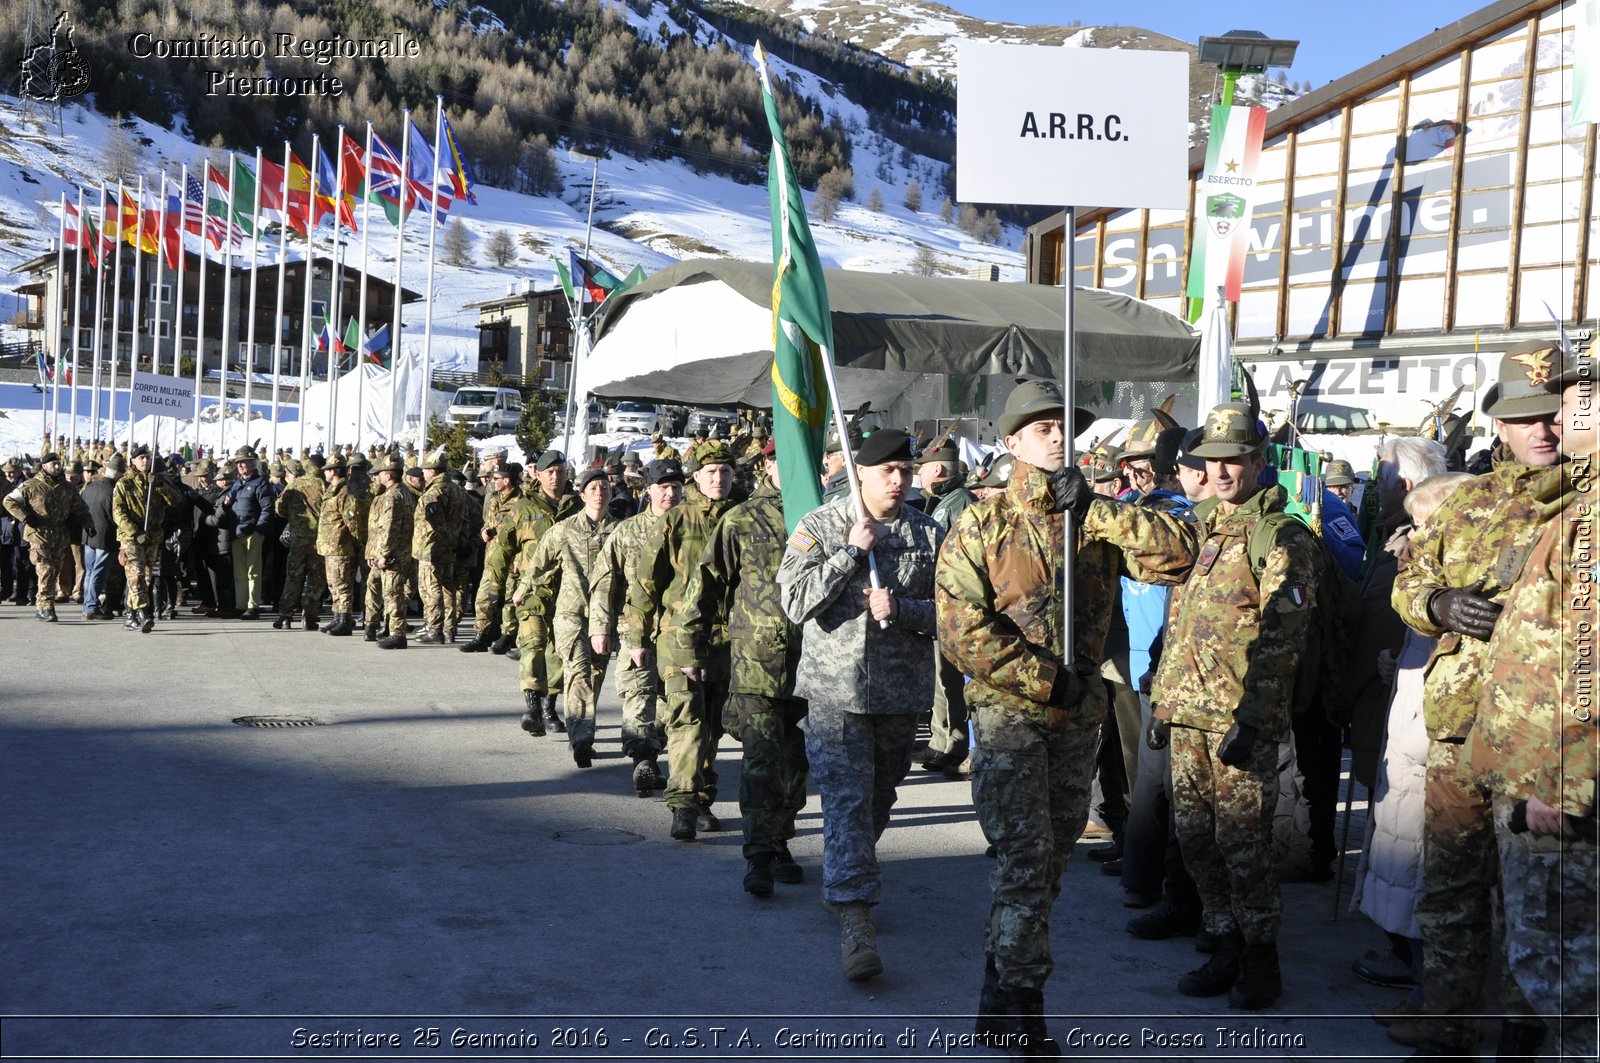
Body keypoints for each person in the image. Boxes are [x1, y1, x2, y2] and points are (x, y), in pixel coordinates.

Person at [936, 381, 1199, 1048]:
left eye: (1064, 426)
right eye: (1042, 426)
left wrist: (1105, 514)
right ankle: (1024, 1010)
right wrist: (1046, 679)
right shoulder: (983, 524)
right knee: (1024, 861)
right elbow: (962, 630)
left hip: (1076, 723)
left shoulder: (1097, 516)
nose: (1057, 436)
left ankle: (998, 996)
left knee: (1047, 863)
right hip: (1010, 717)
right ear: (1012, 442)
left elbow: (1183, 555)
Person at [1390, 343, 1567, 1058]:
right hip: (1463, 729)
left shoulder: (1585, 502)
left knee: (1538, 900)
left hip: (1547, 738)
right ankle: (1449, 1018)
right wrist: (1436, 600)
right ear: (1499, 425)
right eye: (1527, 418)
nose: (1543, 431)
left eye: (1554, 414)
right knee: (1452, 889)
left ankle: (1525, 1033)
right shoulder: (1467, 504)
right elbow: (1408, 586)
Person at [1148, 399, 1323, 1011]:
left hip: (1237, 719)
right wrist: (1163, 703)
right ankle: (1222, 939)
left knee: (1244, 845)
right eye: (1214, 460)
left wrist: (1253, 719)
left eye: (1237, 460)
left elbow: (1283, 636)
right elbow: (1183, 623)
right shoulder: (1203, 528)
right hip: (1188, 713)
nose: (1223, 472)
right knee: (1196, 837)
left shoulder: (1281, 535)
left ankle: (1259, 958)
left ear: (1257, 463)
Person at [1459, 354, 1596, 1060]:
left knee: (1568, 973)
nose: (1552, 419)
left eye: (1567, 402)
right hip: (1524, 762)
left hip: (1558, 782)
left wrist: (1564, 780)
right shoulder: (1571, 501)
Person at [777, 428, 944, 983]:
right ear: (860, 474)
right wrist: (852, 553)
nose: (899, 481)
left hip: (900, 694)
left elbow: (953, 614)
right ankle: (855, 920)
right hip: (836, 693)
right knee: (847, 803)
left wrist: (904, 608)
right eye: (887, 471)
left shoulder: (929, 533)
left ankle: (843, 872)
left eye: (905, 469)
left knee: (878, 798)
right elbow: (795, 602)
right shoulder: (822, 526)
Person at [1349, 471, 1471, 1048]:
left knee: (1434, 883)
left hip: (1433, 754)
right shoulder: (1428, 579)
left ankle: (1434, 998)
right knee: (1413, 874)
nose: (1417, 533)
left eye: (1427, 523)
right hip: (1408, 748)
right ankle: (1422, 989)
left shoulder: (1466, 587)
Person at [678, 442, 808, 895]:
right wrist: (691, 650)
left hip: (814, 667)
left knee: (798, 763)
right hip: (757, 664)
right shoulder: (743, 520)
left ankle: (781, 839)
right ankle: (758, 855)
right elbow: (705, 585)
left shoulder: (827, 516)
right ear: (767, 465)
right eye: (781, 459)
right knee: (761, 762)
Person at [625, 441, 740, 840]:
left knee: (712, 724)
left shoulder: (743, 518)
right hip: (678, 638)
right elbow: (646, 582)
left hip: (727, 641)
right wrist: (637, 636)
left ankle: (703, 797)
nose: (719, 479)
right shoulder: (676, 520)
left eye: (725, 472)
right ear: (696, 478)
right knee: (685, 720)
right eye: (711, 472)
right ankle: (683, 805)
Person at [590, 459, 684, 795]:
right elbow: (604, 581)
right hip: (635, 629)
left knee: (671, 701)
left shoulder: (693, 528)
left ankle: (654, 746)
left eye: (675, 486)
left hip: (680, 631)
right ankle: (642, 759)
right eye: (663, 487)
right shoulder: (627, 531)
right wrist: (599, 627)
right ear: (649, 490)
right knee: (637, 693)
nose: (670, 493)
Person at [514, 468, 618, 767]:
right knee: (577, 672)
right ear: (582, 495)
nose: (599, 493)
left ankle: (580, 729)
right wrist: (523, 590)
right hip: (571, 614)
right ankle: (582, 738)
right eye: (593, 488)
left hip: (605, 618)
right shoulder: (564, 529)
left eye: (604, 488)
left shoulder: (620, 531)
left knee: (596, 675)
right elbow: (539, 562)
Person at [915, 440, 977, 774]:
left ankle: (954, 743)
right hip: (938, 601)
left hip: (954, 602)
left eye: (922, 467)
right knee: (940, 675)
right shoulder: (942, 501)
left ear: (937, 468)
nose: (920, 474)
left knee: (951, 676)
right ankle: (941, 740)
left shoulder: (960, 502)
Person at [4, 452, 89, 622]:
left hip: (59, 535)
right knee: (46, 571)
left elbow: (80, 508)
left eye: (58, 463)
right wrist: (26, 517)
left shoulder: (67, 488)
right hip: (39, 535)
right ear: (44, 466)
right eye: (53, 464)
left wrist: (89, 524)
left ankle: (43, 606)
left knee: (55, 571)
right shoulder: (31, 485)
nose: (57, 467)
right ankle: (46, 607)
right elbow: (9, 501)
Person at [111, 444, 176, 634]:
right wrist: (134, 532)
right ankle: (143, 612)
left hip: (152, 537)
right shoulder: (124, 484)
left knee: (145, 578)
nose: (145, 461)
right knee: (136, 574)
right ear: (132, 461)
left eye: (147, 457)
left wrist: (161, 485)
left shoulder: (155, 481)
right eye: (140, 458)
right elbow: (118, 512)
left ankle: (130, 615)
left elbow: (176, 501)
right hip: (131, 538)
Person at [461, 462, 523, 653]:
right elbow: (487, 523)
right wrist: (483, 533)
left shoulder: (523, 501)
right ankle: (482, 633)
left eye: (496, 479)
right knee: (483, 598)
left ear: (507, 480)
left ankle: (507, 636)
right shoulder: (494, 499)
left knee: (508, 600)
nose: (492, 482)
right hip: (492, 558)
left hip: (512, 559)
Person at [414, 451, 468, 645]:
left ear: (432, 471)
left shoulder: (435, 492)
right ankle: (448, 627)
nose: (423, 473)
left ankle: (434, 628)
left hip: (433, 546)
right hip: (448, 546)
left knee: (431, 588)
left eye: (425, 470)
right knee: (448, 588)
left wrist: (444, 537)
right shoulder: (456, 490)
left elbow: (435, 520)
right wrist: (454, 539)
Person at [363, 455, 415, 649]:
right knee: (374, 584)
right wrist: (371, 553)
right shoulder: (398, 493)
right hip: (385, 552)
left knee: (393, 592)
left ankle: (397, 633)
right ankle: (373, 624)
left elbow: (389, 527)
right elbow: (375, 528)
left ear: (388, 474)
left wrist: (383, 554)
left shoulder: (393, 496)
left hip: (392, 553)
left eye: (380, 473)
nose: (377, 476)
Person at [273, 452, 325, 631]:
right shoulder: (324, 485)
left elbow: (279, 508)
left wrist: (294, 517)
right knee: (315, 580)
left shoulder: (295, 485)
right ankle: (309, 617)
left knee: (293, 578)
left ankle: (285, 616)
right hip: (318, 541)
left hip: (298, 539)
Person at [316, 455, 365, 637]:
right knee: (334, 584)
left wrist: (357, 541)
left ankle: (345, 620)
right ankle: (337, 617)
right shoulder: (332, 491)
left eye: (327, 469)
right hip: (330, 547)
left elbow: (353, 522)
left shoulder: (344, 493)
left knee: (342, 584)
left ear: (334, 471)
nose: (325, 473)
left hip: (341, 546)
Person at [224, 446, 274, 619]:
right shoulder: (236, 484)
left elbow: (267, 508)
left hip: (252, 532)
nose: (241, 466)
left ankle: (253, 605)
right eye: (239, 463)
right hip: (237, 532)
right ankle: (241, 604)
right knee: (239, 573)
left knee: (253, 572)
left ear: (253, 463)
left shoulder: (260, 483)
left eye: (244, 462)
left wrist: (259, 530)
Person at [79, 454, 123, 620]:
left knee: (90, 572)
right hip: (106, 538)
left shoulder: (90, 487)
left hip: (89, 535)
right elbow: (117, 517)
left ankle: (87, 605)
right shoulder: (114, 491)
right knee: (98, 572)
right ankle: (91, 607)